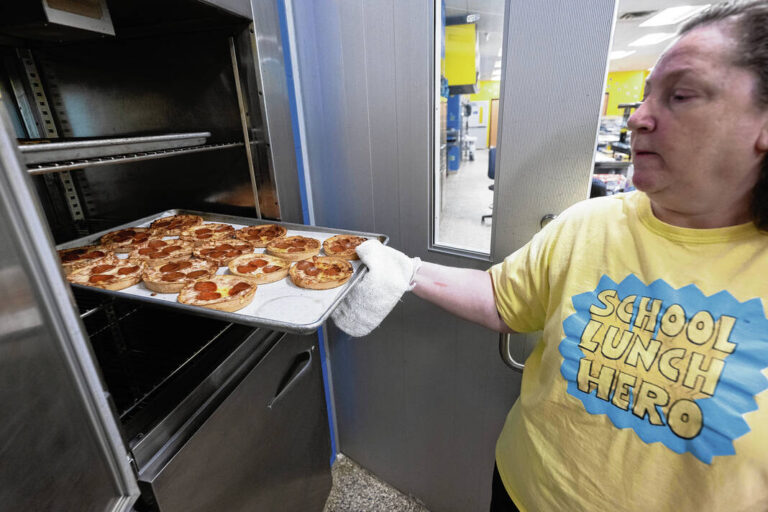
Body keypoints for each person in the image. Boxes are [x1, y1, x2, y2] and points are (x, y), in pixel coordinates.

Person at [331, 2, 768, 511]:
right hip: (524, 489)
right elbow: (502, 300)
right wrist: (405, 270)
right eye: (646, 95)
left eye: (681, 95)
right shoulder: (593, 222)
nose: (639, 118)